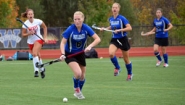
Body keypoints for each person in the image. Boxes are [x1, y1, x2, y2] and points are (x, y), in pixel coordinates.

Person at [59, 11, 101, 99]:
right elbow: (63, 43)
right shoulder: (70, 29)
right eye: (75, 19)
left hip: (80, 53)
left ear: (83, 19)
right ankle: (76, 89)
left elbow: (97, 39)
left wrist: (90, 46)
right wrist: (62, 54)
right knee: (78, 73)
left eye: (79, 19)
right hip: (70, 54)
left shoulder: (86, 28)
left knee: (82, 76)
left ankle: (78, 92)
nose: (77, 21)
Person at [100, 2, 133, 81]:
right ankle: (117, 68)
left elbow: (129, 28)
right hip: (115, 39)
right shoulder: (111, 19)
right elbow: (112, 26)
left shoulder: (122, 18)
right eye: (113, 7)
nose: (114, 9)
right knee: (111, 54)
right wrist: (105, 28)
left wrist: (120, 30)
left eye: (116, 7)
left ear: (118, 9)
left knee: (126, 59)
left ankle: (129, 74)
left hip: (123, 39)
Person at [21, 9, 48, 78]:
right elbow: (23, 35)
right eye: (29, 14)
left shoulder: (38, 21)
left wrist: (45, 37)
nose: (30, 15)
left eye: (31, 14)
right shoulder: (25, 24)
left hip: (39, 39)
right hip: (30, 42)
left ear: (33, 15)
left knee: (34, 53)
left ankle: (36, 71)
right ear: (27, 15)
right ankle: (42, 70)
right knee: (37, 55)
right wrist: (29, 33)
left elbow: (45, 27)